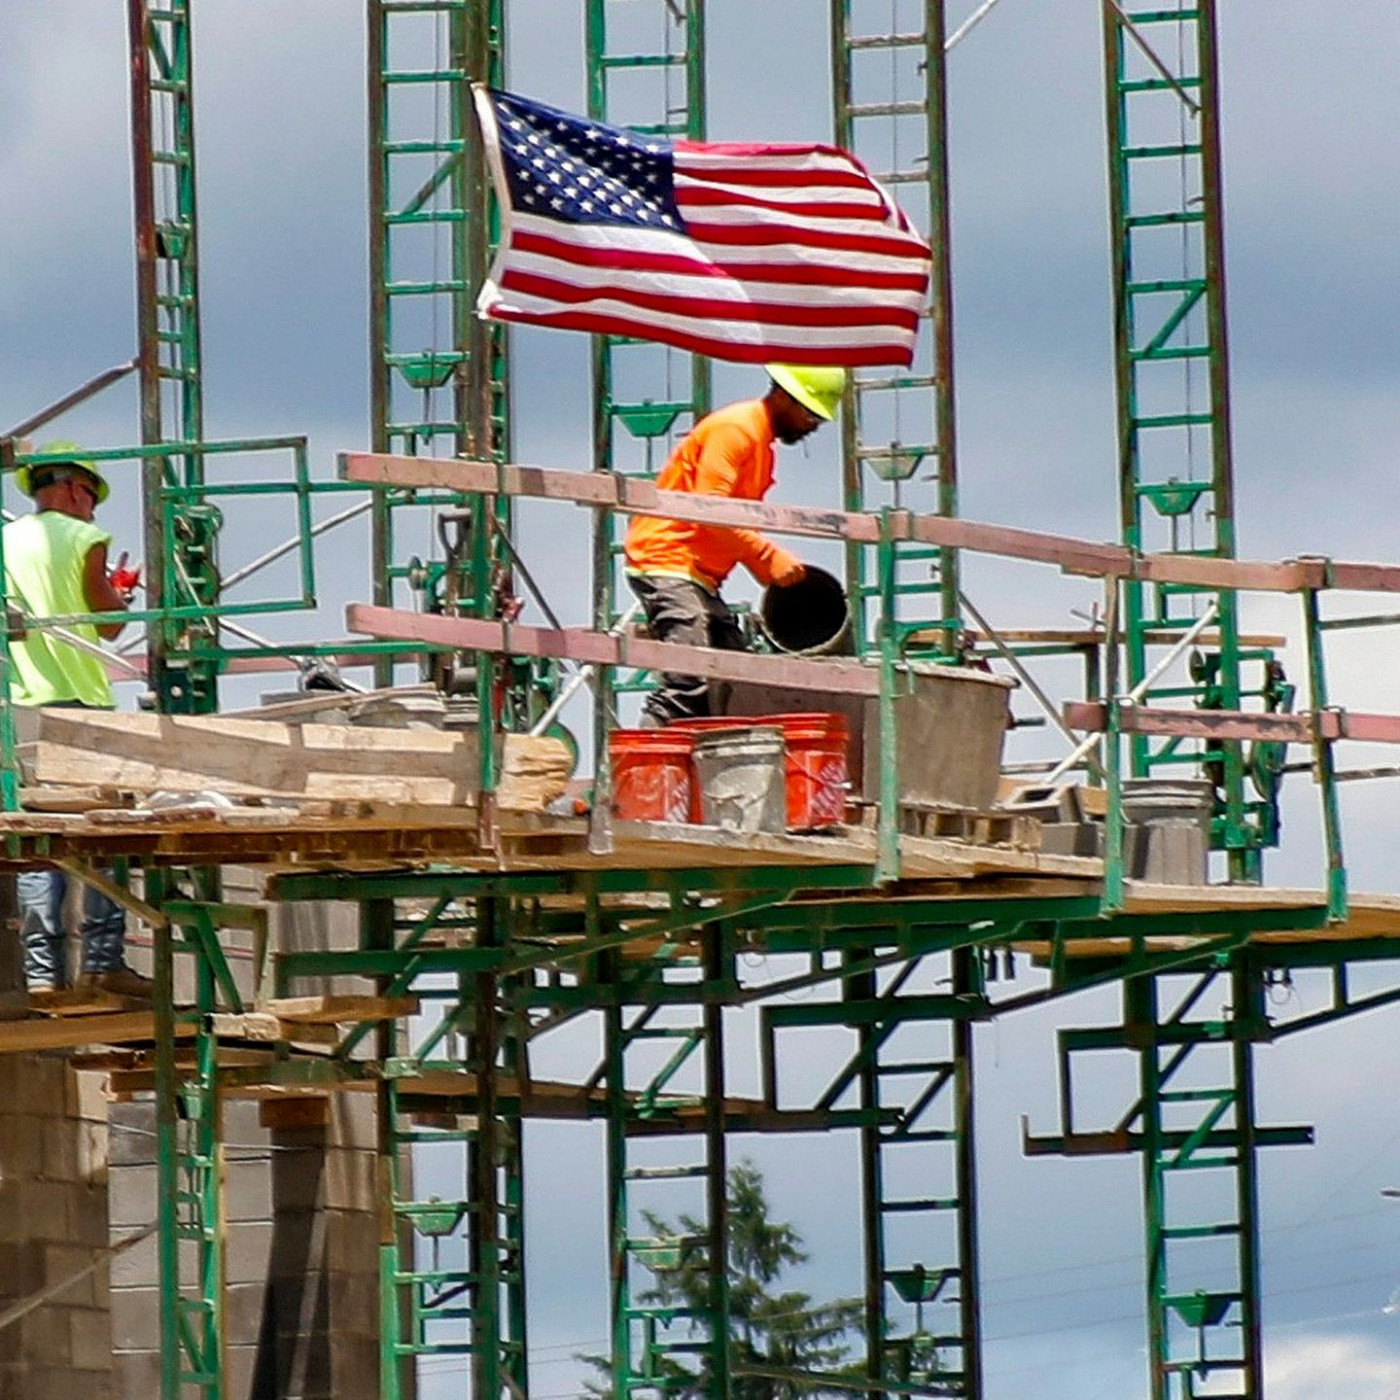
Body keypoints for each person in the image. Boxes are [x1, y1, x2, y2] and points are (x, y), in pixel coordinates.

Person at [3, 442, 151, 1000]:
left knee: (39, 842)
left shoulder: (5, 539)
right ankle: (102, 961)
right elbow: (107, 623)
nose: (93, 508)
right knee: (102, 835)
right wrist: (123, 596)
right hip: (82, 707)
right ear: (71, 488)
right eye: (91, 496)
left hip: (22, 707)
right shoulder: (85, 538)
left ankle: (42, 974)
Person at [624, 363, 846, 726]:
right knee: (689, 682)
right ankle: (643, 774)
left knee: (736, 682)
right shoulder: (737, 429)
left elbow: (727, 522)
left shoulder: (759, 444)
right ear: (784, 396)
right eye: (810, 413)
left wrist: (765, 565)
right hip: (667, 560)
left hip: (697, 574)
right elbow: (709, 509)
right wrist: (766, 557)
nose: (812, 425)